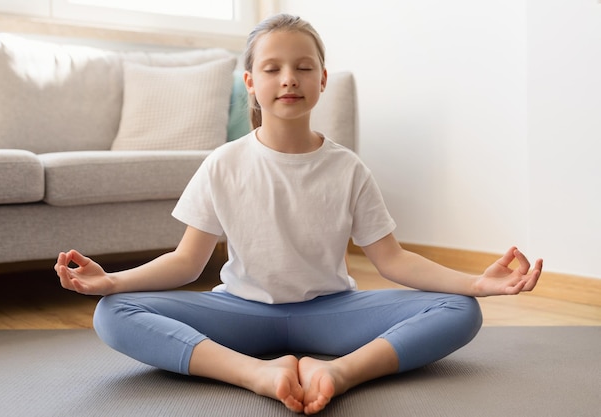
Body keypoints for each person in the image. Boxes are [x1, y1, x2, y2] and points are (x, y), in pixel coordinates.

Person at [55, 13, 543, 415]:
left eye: (304, 67)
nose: (289, 78)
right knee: (113, 314)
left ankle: (338, 372)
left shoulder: (348, 168)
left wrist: (476, 284)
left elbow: (393, 261)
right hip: (240, 311)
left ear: (323, 80)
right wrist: (113, 282)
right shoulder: (223, 163)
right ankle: (257, 374)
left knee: (460, 310)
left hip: (331, 312)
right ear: (250, 83)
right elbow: (186, 263)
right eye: (272, 68)